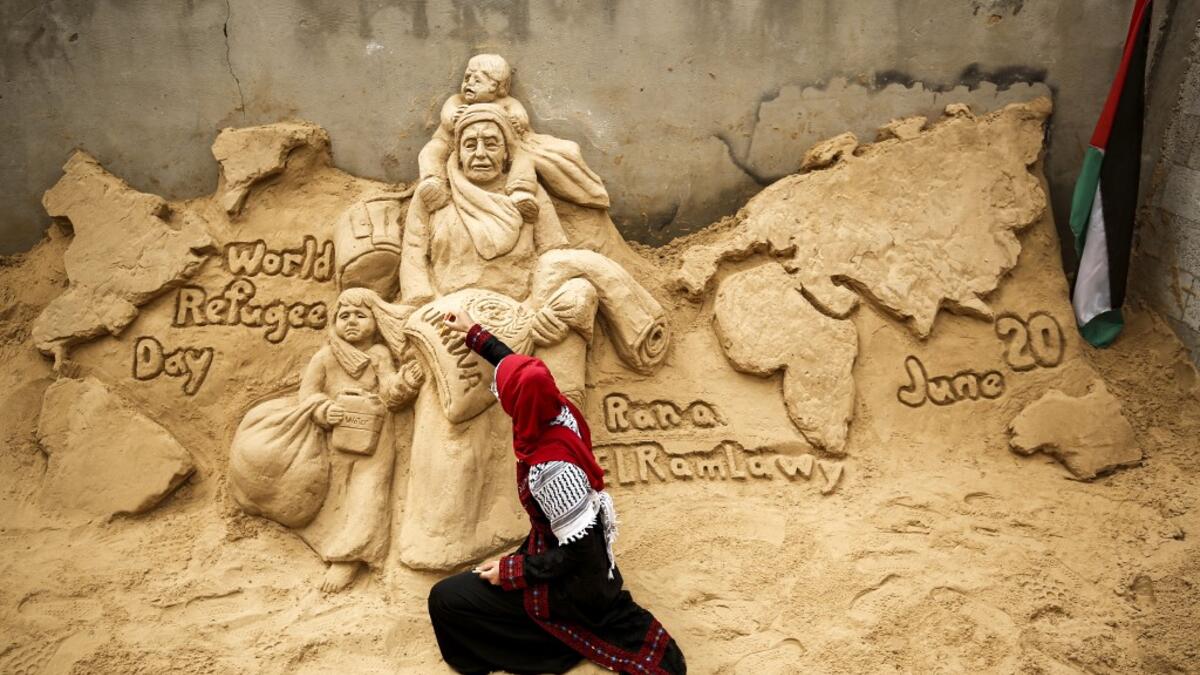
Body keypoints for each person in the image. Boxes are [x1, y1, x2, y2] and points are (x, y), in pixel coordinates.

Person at [426, 307, 686, 674]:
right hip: (561, 550)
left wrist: (512, 570)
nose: (496, 392)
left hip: (576, 583)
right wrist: (474, 333)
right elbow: (520, 369)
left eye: (502, 391)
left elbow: (580, 557)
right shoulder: (556, 409)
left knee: (446, 600)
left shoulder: (551, 473)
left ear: (516, 404)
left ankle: (545, 649)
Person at [296, 287, 422, 591]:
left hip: (376, 437)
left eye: (360, 315)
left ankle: (349, 558)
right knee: (337, 495)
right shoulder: (325, 357)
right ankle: (332, 543)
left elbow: (389, 390)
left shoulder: (379, 355)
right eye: (344, 316)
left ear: (375, 321)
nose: (351, 321)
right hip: (337, 438)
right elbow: (308, 395)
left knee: (369, 494)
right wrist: (326, 410)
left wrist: (405, 383)